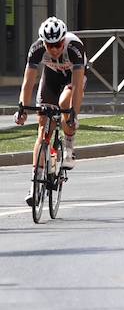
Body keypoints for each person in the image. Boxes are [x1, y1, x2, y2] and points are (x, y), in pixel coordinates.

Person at [15, 17, 86, 206]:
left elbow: (78, 87)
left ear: (64, 40)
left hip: (72, 78)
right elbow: (28, 82)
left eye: (58, 44)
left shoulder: (74, 48)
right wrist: (22, 108)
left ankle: (69, 146)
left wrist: (74, 114)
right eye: (50, 45)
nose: (54, 49)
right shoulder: (37, 49)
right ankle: (35, 183)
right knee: (43, 128)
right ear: (43, 42)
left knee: (65, 104)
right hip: (51, 78)